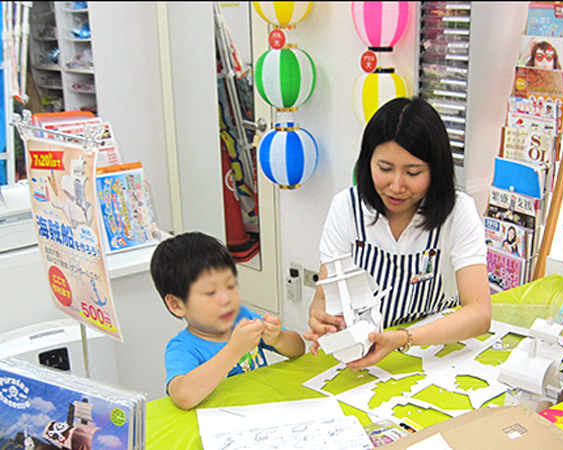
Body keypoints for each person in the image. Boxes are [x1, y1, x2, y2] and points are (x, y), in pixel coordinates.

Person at [304, 97, 491, 371]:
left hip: (434, 351)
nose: (396, 186)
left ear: (435, 170)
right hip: (365, 353)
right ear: (368, 162)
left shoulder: (457, 212)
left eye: (413, 172)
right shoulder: (346, 208)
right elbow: (323, 300)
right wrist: (322, 320)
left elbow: (479, 314)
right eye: (385, 169)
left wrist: (404, 339)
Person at [151, 231, 305, 410]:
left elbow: (299, 349)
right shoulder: (182, 348)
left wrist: (279, 339)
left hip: (262, 411)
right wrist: (234, 350)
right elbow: (183, 396)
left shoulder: (242, 318)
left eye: (229, 286)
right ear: (177, 305)